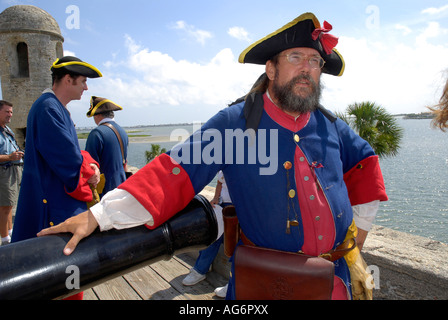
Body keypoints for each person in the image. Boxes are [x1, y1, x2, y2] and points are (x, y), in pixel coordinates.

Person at [39, 13, 388, 300]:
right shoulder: (234, 123)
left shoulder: (332, 125)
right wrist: (98, 217)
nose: (307, 68)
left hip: (337, 284)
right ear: (271, 69)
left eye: (315, 61)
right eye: (296, 58)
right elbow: (172, 174)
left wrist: (353, 246)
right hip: (267, 288)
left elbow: (366, 169)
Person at [12, 56, 102, 243]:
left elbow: (71, 150)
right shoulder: (48, 108)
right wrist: (89, 172)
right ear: (68, 79)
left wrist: (91, 164)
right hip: (52, 204)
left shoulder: (55, 107)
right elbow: (68, 160)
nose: (86, 88)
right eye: (83, 81)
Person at [182, 171, 231, 298]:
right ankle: (200, 270)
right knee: (212, 237)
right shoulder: (228, 158)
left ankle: (234, 283)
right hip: (222, 204)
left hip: (238, 207)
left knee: (235, 245)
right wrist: (216, 198)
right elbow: (220, 182)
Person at [85, 96, 129, 197]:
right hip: (121, 185)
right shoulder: (122, 132)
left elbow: (90, 166)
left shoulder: (97, 133)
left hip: (104, 189)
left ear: (98, 115)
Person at [0, 101, 24, 245]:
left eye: (11, 112)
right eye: (7, 112)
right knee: (4, 207)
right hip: (4, 172)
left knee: (9, 205)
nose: (10, 115)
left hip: (13, 171)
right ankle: (5, 241)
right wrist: (10, 157)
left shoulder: (7, 130)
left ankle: (9, 233)